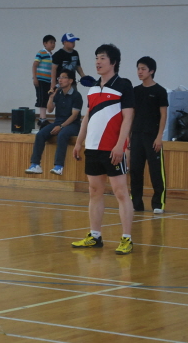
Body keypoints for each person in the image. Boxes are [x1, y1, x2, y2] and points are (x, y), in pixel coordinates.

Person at [72, 44, 135, 255]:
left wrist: (120, 145)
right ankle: (95, 236)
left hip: (113, 149)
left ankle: (126, 238)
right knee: (94, 191)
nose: (98, 62)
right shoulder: (92, 89)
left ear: (113, 62)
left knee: (121, 192)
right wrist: (79, 142)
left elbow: (128, 118)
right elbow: (87, 118)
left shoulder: (123, 85)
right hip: (92, 147)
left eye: (102, 58)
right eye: (96, 58)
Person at [25, 68, 83, 176]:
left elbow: (74, 115)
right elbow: (50, 110)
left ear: (70, 80)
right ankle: (35, 164)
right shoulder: (58, 93)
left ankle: (59, 166)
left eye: (63, 77)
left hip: (73, 124)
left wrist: (61, 126)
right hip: (58, 122)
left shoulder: (76, 96)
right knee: (40, 134)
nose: (60, 80)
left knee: (62, 135)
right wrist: (51, 97)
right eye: (59, 77)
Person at [129, 56, 168, 213]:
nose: (140, 72)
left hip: (152, 137)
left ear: (151, 71)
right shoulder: (135, 91)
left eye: (143, 69)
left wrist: (159, 137)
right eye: (138, 68)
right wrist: (128, 135)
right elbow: (131, 114)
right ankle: (136, 203)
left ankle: (158, 203)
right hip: (136, 135)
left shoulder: (160, 91)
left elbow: (163, 115)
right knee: (135, 171)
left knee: (156, 171)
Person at [32, 35, 56, 128]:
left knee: (46, 98)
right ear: (45, 43)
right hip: (41, 79)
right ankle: (42, 119)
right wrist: (35, 78)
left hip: (48, 81)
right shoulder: (41, 53)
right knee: (42, 98)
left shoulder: (51, 55)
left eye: (54, 43)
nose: (53, 44)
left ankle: (43, 118)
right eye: (51, 42)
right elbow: (34, 65)